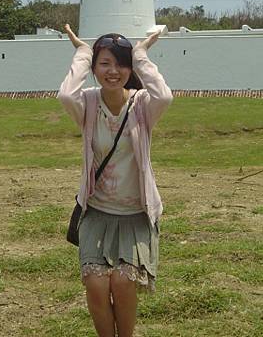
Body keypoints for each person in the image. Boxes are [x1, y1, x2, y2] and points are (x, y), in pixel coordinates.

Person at [57, 24, 173, 337]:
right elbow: (66, 94)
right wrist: (83, 53)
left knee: (123, 282)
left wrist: (141, 54)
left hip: (136, 213)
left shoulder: (142, 105)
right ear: (94, 68)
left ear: (130, 68)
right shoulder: (88, 104)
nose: (113, 71)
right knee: (96, 284)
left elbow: (164, 95)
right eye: (105, 63)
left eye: (121, 64)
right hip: (97, 211)